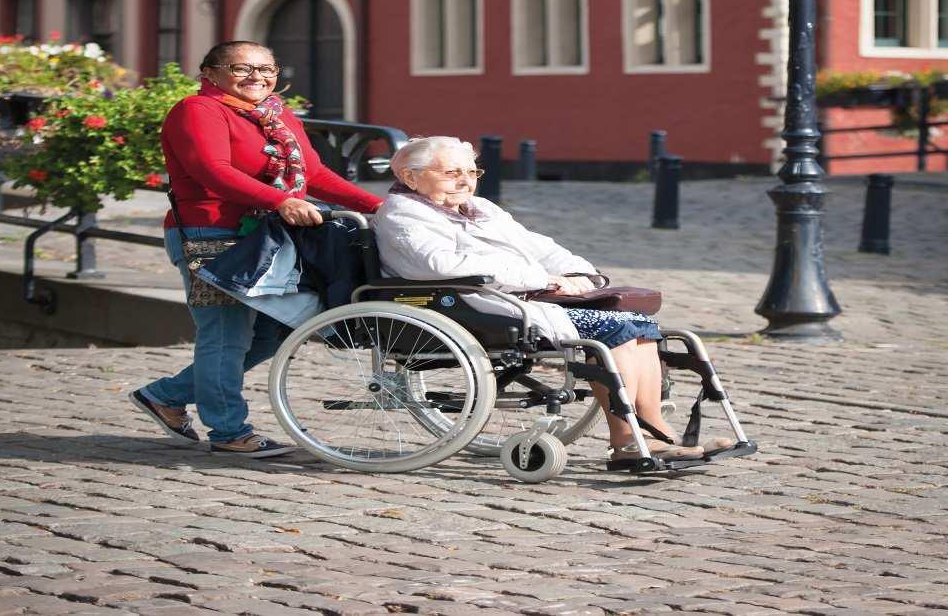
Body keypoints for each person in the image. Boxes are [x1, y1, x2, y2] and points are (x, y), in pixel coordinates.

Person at [372, 136, 725, 467]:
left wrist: (582, 275)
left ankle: (656, 434)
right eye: (451, 172)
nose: (465, 181)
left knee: (639, 325)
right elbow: (443, 265)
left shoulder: (479, 208)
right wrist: (544, 280)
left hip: (521, 298)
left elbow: (537, 246)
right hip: (471, 304)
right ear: (410, 177)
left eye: (471, 171)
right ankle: (626, 440)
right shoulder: (403, 215)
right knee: (612, 330)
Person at [131, 41, 382, 457]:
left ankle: (165, 396)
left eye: (267, 68)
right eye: (242, 68)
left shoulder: (276, 114)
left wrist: (380, 207)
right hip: (211, 234)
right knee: (226, 334)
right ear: (210, 73)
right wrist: (280, 200)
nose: (258, 77)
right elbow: (213, 171)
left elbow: (314, 173)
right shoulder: (198, 110)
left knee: (277, 329)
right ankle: (229, 431)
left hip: (270, 236)